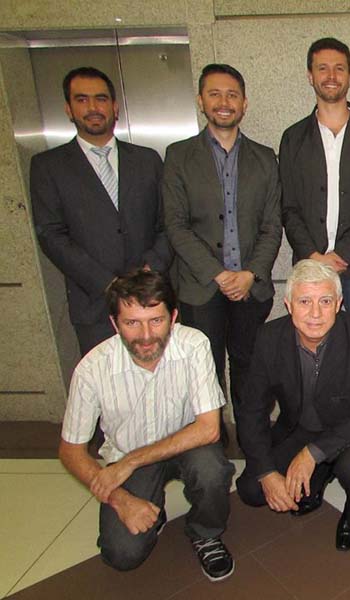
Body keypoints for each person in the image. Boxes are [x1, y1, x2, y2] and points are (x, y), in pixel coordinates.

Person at [58, 269, 235, 580]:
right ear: (114, 323)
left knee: (212, 469)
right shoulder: (92, 369)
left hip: (185, 445)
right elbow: (70, 451)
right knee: (121, 554)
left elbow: (209, 429)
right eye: (132, 323)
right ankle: (151, 505)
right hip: (129, 455)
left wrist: (131, 462)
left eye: (156, 320)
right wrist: (120, 499)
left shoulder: (194, 345)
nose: (146, 335)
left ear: (173, 317)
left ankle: (205, 533)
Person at [235, 260, 350, 551]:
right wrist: (267, 473)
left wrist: (311, 454)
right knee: (251, 489)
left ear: (339, 304)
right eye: (304, 301)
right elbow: (252, 410)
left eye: (325, 301)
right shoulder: (268, 338)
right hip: (300, 428)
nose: (315, 313)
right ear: (289, 305)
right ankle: (320, 474)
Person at [163, 63, 282, 423]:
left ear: (244, 103)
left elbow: (272, 225)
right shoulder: (178, 156)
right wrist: (218, 274)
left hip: (250, 287)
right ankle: (209, 438)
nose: (224, 102)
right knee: (204, 369)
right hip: (200, 287)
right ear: (201, 101)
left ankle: (252, 439)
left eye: (232, 95)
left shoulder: (265, 158)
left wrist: (250, 274)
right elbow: (176, 225)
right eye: (214, 94)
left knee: (250, 368)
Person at [30, 66, 172, 356]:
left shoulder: (147, 160)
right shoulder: (48, 166)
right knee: (106, 379)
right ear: (68, 109)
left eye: (101, 99)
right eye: (82, 99)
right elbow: (51, 235)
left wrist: (150, 269)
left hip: (152, 299)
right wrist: (109, 284)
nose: (93, 107)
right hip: (93, 303)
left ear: (115, 107)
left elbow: (168, 223)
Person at [281, 37, 350, 331]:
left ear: (349, 76)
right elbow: (288, 207)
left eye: (339, 68)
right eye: (323, 68)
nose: (331, 76)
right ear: (310, 75)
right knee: (312, 339)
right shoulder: (293, 139)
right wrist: (314, 256)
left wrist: (342, 255)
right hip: (309, 262)